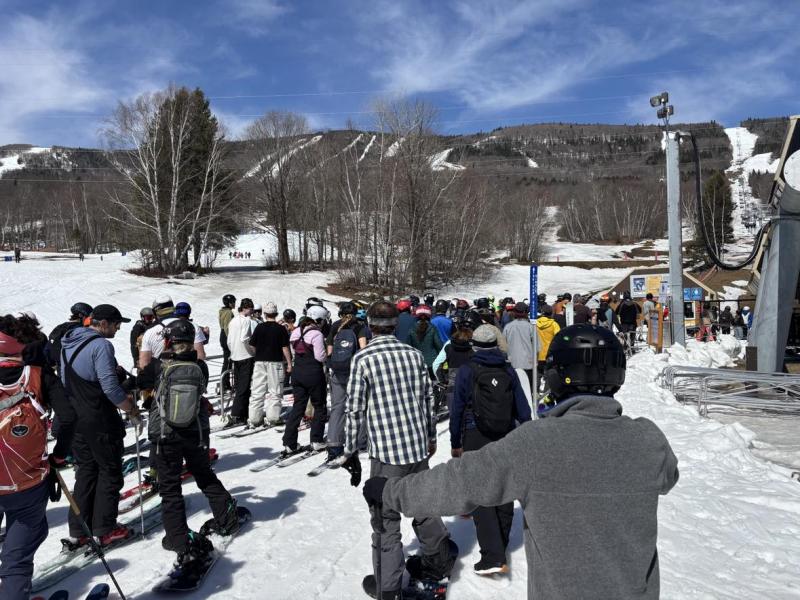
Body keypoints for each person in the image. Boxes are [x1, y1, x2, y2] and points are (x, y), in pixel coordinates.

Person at [362, 324, 679, 600]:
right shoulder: (649, 440)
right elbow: (669, 477)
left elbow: (459, 483)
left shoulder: (537, 443)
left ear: (556, 376)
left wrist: (391, 491)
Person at [341, 301, 455, 600]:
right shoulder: (413, 354)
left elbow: (354, 410)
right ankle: (438, 562)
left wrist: (350, 451)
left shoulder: (364, 359)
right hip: (417, 448)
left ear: (371, 326)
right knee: (423, 506)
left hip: (387, 454)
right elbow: (429, 399)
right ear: (395, 325)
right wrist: (431, 437)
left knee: (386, 519)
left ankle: (388, 588)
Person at [135, 319, 244, 577]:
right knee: (204, 474)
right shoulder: (201, 366)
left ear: (168, 341)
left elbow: (139, 386)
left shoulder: (157, 366)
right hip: (195, 431)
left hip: (165, 434)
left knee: (170, 488)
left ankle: (179, 539)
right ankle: (227, 518)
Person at [449, 324, 531, 575]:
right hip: (504, 434)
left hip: (475, 434)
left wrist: (456, 442)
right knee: (504, 490)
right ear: (496, 344)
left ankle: (492, 555)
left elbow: (458, 408)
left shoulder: (467, 370)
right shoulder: (508, 369)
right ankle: (501, 546)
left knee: (481, 491)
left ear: (474, 345)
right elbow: (523, 410)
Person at [60, 304, 140, 549]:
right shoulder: (101, 346)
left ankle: (79, 528)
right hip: (99, 419)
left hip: (75, 421)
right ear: (103, 323)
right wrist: (131, 409)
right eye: (116, 324)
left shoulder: (67, 344)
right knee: (110, 471)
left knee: (86, 472)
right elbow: (111, 388)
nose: (117, 329)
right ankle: (105, 529)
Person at [0, 315, 62, 600]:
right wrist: (59, 456)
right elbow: (70, 416)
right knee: (17, 559)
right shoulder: (38, 374)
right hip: (26, 480)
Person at [281, 306, 329, 456]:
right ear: (319, 320)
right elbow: (320, 356)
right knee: (319, 406)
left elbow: (296, 351)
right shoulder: (316, 334)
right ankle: (316, 440)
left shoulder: (295, 332)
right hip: (313, 373)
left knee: (298, 407)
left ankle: (290, 443)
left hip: (298, 372)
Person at [325, 302, 368, 463]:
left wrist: (331, 365)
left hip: (336, 371)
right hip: (353, 371)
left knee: (337, 407)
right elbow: (363, 349)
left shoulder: (335, 326)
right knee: (358, 406)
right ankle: (359, 441)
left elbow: (329, 350)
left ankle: (334, 443)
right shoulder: (359, 327)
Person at [247, 302, 292, 428]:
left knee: (257, 390)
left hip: (260, 362)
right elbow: (285, 348)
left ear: (265, 314)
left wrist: (258, 353)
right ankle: (272, 417)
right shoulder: (280, 329)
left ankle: (254, 418)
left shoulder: (259, 327)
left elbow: (252, 344)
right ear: (276, 314)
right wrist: (289, 363)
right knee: (275, 391)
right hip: (275, 362)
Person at [139, 296, 207, 369]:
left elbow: (144, 363)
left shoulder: (150, 332)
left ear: (155, 313)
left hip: (162, 376)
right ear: (173, 308)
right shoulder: (192, 326)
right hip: (189, 374)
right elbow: (200, 356)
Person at [226, 298, 257, 426]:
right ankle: (237, 413)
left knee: (240, 385)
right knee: (244, 387)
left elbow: (229, 340)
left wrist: (232, 350)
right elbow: (245, 338)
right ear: (247, 308)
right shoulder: (247, 321)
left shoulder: (233, 321)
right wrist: (252, 351)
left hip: (235, 355)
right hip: (245, 356)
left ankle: (243, 412)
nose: (252, 311)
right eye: (251, 309)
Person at [503, 301, 538, 389]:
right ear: (526, 313)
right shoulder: (531, 327)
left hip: (512, 365)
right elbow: (537, 347)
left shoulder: (508, 327)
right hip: (528, 366)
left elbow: (503, 347)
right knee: (528, 392)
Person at [405, 305, 443, 377]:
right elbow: (439, 345)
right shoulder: (432, 328)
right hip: (432, 362)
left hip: (417, 361)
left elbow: (408, 346)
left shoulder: (412, 329)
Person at [535, 306, 560, 392]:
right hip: (549, 354)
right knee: (548, 374)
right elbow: (558, 338)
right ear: (551, 313)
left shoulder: (535, 324)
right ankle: (545, 392)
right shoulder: (554, 324)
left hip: (537, 353)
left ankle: (536, 391)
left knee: (537, 374)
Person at [218, 294, 236, 392]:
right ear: (229, 303)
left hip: (223, 336)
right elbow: (227, 327)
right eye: (233, 302)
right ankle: (224, 384)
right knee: (228, 361)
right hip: (226, 336)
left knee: (227, 361)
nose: (235, 304)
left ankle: (226, 383)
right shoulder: (228, 312)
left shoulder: (223, 311)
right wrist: (231, 340)